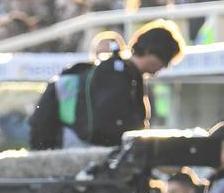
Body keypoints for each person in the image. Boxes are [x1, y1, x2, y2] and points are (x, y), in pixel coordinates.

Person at [29, 20, 185, 150]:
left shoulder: (125, 75)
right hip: (83, 152)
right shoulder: (120, 76)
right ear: (151, 52)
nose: (165, 67)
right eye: (166, 60)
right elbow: (111, 126)